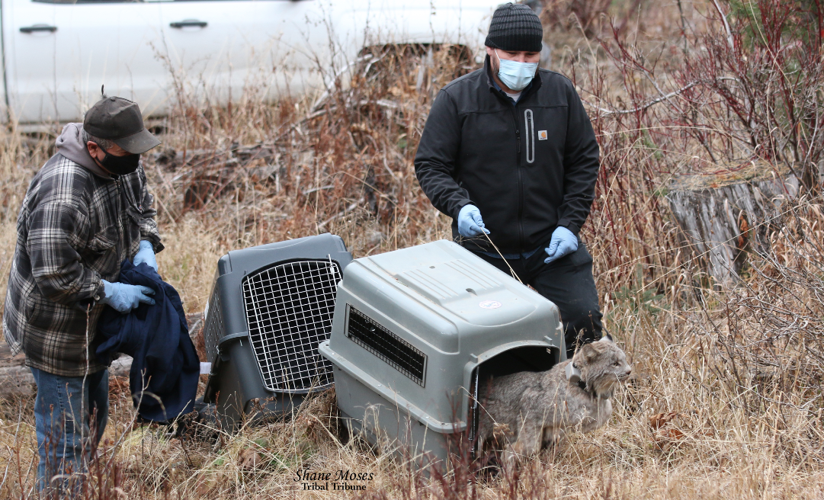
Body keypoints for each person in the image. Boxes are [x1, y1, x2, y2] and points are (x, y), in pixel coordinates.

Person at [414, 3, 602, 359]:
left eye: (531, 54)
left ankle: (579, 402)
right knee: (492, 345)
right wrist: (460, 205)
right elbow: (430, 164)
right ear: (490, 50)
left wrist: (569, 225)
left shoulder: (559, 95)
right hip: (485, 250)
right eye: (511, 53)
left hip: (550, 246)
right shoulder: (457, 99)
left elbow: (584, 160)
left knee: (584, 321)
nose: (522, 61)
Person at [2, 96, 163, 492]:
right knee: (65, 441)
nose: (137, 158)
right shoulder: (63, 193)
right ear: (95, 148)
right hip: (56, 328)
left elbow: (143, 208)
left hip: (98, 325)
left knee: (94, 420)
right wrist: (108, 291)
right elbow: (54, 275)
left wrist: (145, 242)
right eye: (130, 150)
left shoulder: (124, 165)